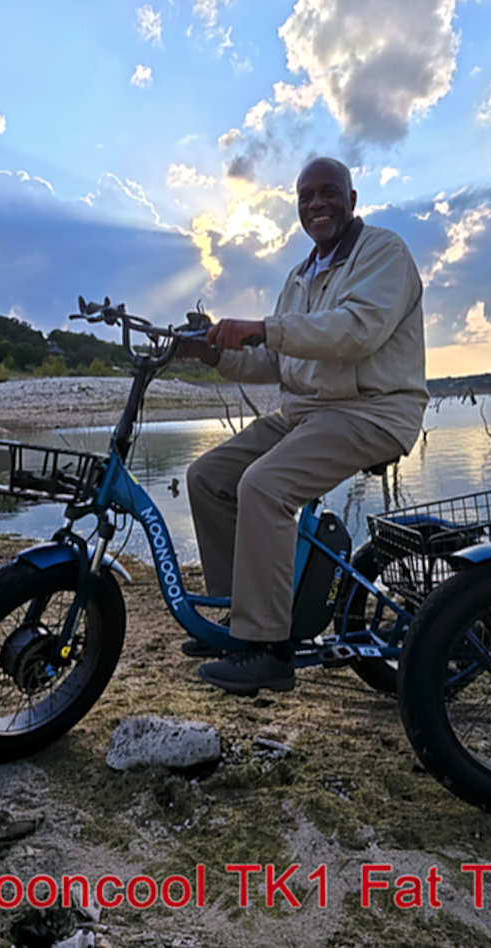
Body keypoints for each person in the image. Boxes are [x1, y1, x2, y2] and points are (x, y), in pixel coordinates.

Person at [177, 157, 428, 696]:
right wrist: (211, 354)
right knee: (207, 477)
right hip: (306, 412)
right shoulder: (300, 275)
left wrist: (264, 328)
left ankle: (267, 649)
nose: (316, 204)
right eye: (305, 196)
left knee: (265, 486)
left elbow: (355, 332)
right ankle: (239, 617)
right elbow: (276, 361)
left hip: (373, 410)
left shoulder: (383, 252)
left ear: (351, 199)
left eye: (328, 192)